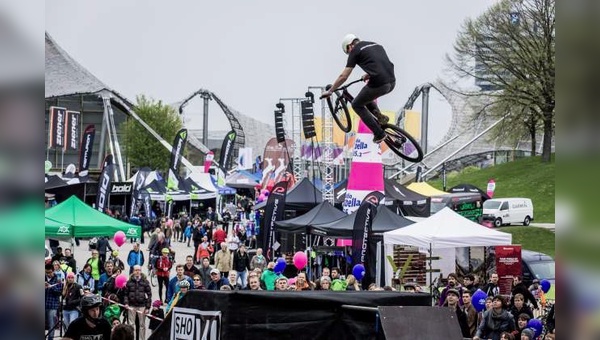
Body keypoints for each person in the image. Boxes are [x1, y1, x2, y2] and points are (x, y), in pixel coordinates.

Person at [320, 34, 395, 144]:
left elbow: (343, 76)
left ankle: (379, 134)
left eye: (348, 52)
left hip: (379, 83)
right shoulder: (375, 44)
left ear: (350, 46)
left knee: (356, 104)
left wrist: (331, 90)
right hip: (391, 82)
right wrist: (369, 74)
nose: (350, 54)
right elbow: (380, 63)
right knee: (366, 97)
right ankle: (379, 116)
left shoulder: (355, 51)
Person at [123, 265, 152, 340]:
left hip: (142, 306)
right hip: (131, 306)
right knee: (131, 325)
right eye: (136, 270)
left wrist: (148, 307)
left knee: (142, 325)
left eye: (139, 270)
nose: (137, 271)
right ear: (133, 271)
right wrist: (126, 303)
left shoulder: (145, 282)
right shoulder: (129, 282)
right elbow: (125, 294)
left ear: (141, 271)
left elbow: (149, 295)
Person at [45, 263, 63, 340]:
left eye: (50, 272)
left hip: (52, 305)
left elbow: (59, 292)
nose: (48, 274)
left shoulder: (58, 279)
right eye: (46, 272)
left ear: (53, 271)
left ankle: (50, 338)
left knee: (51, 325)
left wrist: (50, 287)